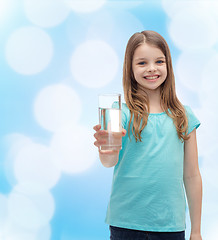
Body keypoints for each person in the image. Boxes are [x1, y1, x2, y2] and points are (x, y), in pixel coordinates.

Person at [93, 30, 202, 240]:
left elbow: (192, 175)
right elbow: (109, 161)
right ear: (130, 68)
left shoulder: (184, 116)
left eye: (159, 61)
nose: (152, 69)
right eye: (142, 63)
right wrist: (105, 149)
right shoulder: (119, 113)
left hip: (170, 225)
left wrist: (196, 230)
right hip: (125, 223)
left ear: (168, 65)